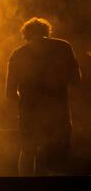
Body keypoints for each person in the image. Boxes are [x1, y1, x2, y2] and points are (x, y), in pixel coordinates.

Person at [6, 17, 82, 175]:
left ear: (25, 35)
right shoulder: (63, 46)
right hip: (58, 111)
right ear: (47, 31)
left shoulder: (18, 53)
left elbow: (10, 92)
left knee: (28, 151)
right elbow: (76, 79)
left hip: (29, 111)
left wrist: (25, 105)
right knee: (58, 155)